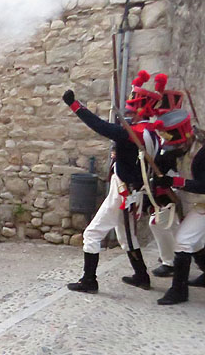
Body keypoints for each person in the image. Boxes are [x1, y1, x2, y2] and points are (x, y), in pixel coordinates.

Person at [62, 70, 162, 293]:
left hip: (123, 191)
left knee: (92, 233)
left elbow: (101, 126)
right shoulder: (152, 133)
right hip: (133, 190)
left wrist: (75, 106)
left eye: (132, 109)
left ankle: (89, 280)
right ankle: (142, 275)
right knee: (127, 236)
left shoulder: (134, 134)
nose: (129, 113)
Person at [151, 109, 205, 305]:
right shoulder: (179, 147)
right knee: (193, 241)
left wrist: (173, 181)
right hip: (191, 197)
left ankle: (179, 291)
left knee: (183, 241)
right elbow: (163, 164)